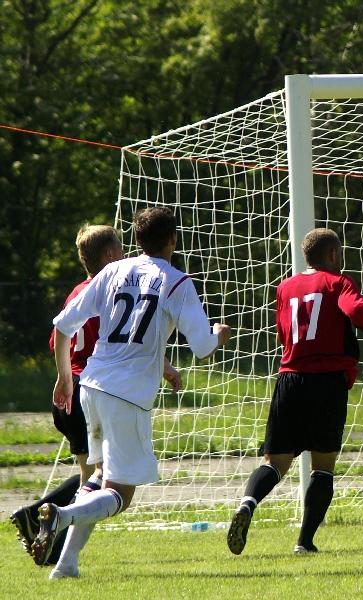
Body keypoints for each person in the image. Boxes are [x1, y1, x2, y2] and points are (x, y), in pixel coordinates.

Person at [32, 207, 231, 579]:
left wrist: (64, 377)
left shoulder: (111, 271)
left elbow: (62, 327)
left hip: (90, 386)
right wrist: (220, 333)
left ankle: (67, 564)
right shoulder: (177, 282)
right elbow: (203, 347)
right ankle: (61, 515)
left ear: (136, 241)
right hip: (127, 396)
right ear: (173, 240)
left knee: (99, 477)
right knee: (121, 495)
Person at [11, 225, 182, 561]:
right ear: (109, 255)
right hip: (97, 390)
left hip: (71, 390)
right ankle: (44, 523)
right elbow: (129, 338)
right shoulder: (113, 290)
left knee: (92, 476)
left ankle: (49, 536)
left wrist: (63, 377)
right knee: (100, 481)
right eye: (120, 247)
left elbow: (61, 336)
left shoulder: (79, 291)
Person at [226, 228, 363, 556]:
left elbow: (283, 334)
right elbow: (357, 310)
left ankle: (247, 505)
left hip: (290, 378)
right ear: (333, 255)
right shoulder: (338, 283)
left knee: (275, 461)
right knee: (323, 466)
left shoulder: (285, 288)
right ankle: (304, 542)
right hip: (327, 381)